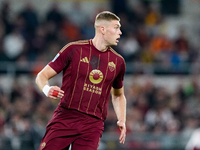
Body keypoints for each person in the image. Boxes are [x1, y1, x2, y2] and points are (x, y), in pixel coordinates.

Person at [35, 11, 126, 150]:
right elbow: (41, 76)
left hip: (93, 124)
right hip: (66, 117)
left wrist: (122, 119)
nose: (120, 32)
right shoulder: (74, 49)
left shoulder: (118, 62)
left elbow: (118, 94)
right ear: (102, 29)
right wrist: (47, 89)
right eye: (116, 27)